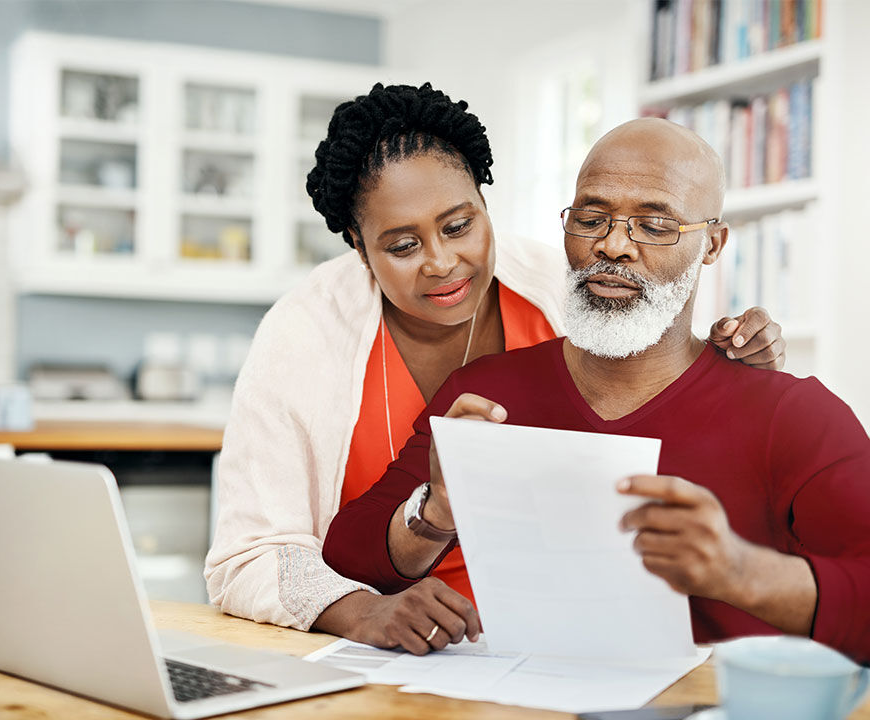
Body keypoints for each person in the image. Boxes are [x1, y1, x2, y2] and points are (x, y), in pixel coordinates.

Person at [204, 83, 788, 653]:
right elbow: (248, 556)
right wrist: (362, 612)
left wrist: (738, 364)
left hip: (562, 635)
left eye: (459, 226)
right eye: (402, 246)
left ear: (485, 204)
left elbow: (662, 409)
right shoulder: (303, 334)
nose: (441, 262)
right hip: (392, 649)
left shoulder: (566, 293)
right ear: (359, 247)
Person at [322, 118, 870, 662]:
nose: (613, 246)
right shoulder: (483, 393)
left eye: (655, 226)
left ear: (712, 244)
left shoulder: (795, 414)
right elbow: (348, 553)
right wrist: (438, 510)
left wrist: (738, 570)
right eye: (591, 218)